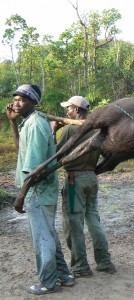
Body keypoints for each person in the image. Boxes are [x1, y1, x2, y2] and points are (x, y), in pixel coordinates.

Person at [6, 84, 74, 295]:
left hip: (38, 191)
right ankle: (64, 275)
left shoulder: (36, 125)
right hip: (41, 191)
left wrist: (21, 195)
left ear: (33, 102)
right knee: (49, 235)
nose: (16, 103)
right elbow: (22, 151)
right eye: (15, 99)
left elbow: (35, 170)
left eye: (22, 99)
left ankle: (48, 283)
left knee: (42, 238)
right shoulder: (29, 123)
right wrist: (13, 123)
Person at [52, 96, 116, 278]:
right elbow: (108, 154)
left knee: (73, 223)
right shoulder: (97, 131)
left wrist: (53, 131)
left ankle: (80, 266)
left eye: (69, 108)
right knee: (94, 220)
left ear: (77, 110)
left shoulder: (71, 129)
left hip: (74, 180)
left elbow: (55, 155)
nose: (67, 111)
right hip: (91, 177)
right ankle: (104, 262)